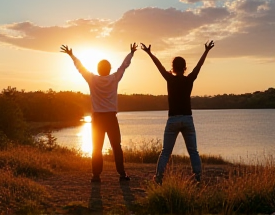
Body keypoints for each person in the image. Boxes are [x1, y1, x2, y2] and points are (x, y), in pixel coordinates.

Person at [60, 43, 138, 183]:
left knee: (97, 148)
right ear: (109, 69)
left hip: (97, 119)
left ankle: (96, 176)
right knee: (116, 147)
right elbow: (124, 66)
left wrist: (72, 55)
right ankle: (122, 175)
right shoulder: (114, 78)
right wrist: (131, 53)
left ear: (98, 69)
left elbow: (80, 68)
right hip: (110, 118)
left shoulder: (92, 79)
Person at [140, 40, 215, 185]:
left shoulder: (170, 79)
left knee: (166, 152)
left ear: (173, 68)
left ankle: (159, 178)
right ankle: (197, 177)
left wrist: (149, 53)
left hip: (173, 119)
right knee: (193, 151)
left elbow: (159, 66)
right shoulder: (189, 79)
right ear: (185, 68)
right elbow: (199, 66)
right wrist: (206, 51)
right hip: (187, 119)